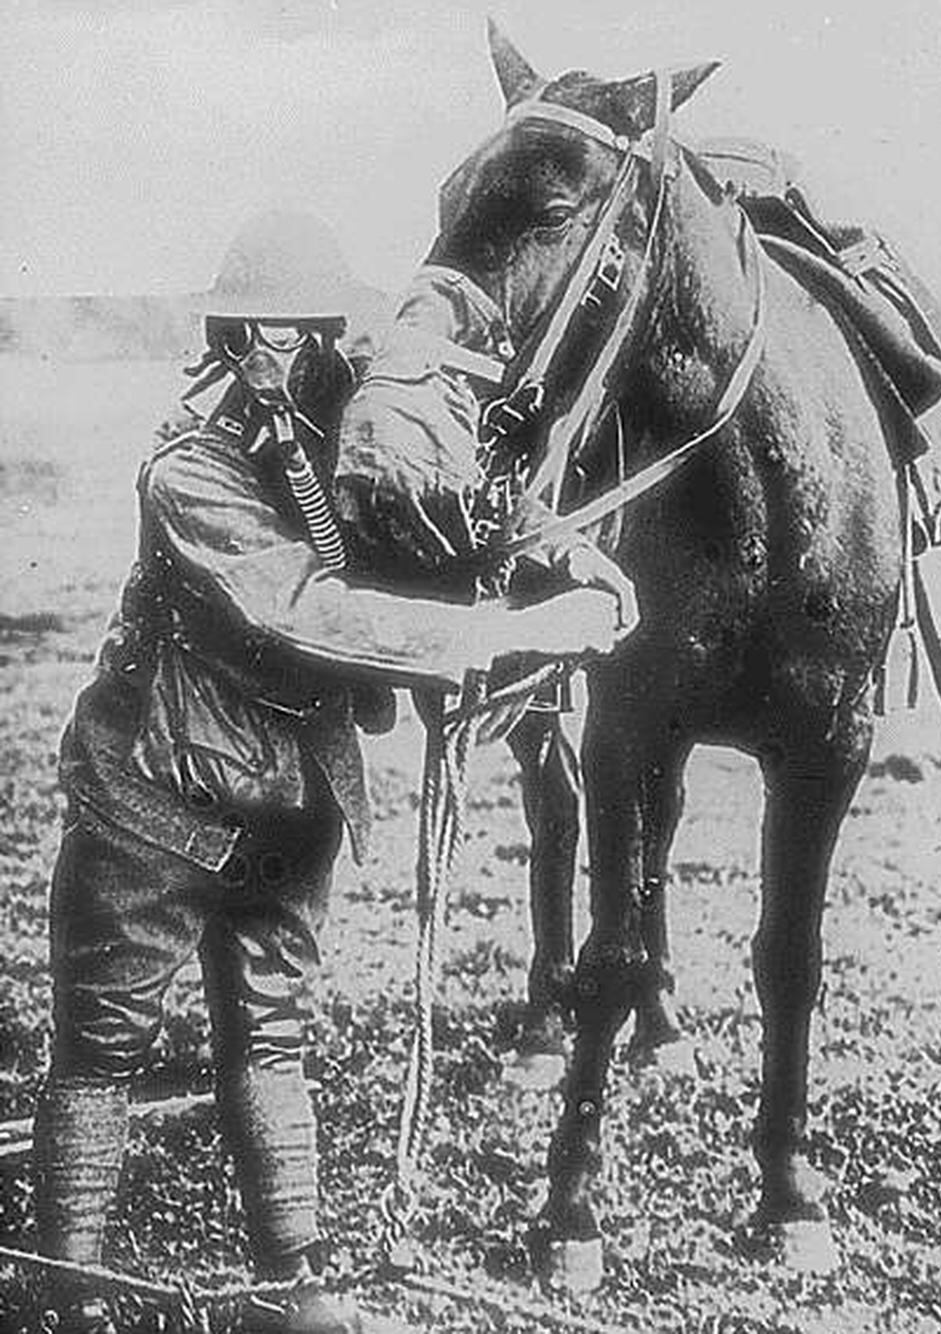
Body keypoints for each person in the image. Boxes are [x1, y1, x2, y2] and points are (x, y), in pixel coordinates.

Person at [31, 210, 637, 1334]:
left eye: (311, 331)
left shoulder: (349, 437)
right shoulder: (191, 472)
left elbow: (459, 493)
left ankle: (289, 1279)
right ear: (235, 336)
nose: (294, 355)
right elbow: (304, 611)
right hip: (154, 803)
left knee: (270, 1033)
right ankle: (63, 1287)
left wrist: (564, 551)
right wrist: (516, 632)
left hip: (289, 807)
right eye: (270, 332)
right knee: (102, 1045)